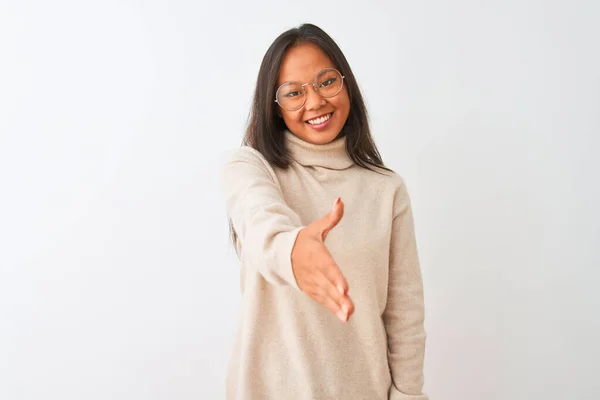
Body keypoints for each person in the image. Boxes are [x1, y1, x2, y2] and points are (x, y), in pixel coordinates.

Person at [221, 23, 428, 400]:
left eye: (326, 82)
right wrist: (292, 248)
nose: (314, 102)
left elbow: (405, 318)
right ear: (275, 106)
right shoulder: (251, 168)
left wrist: (408, 396)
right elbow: (259, 218)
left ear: (346, 84)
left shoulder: (387, 189)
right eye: (294, 93)